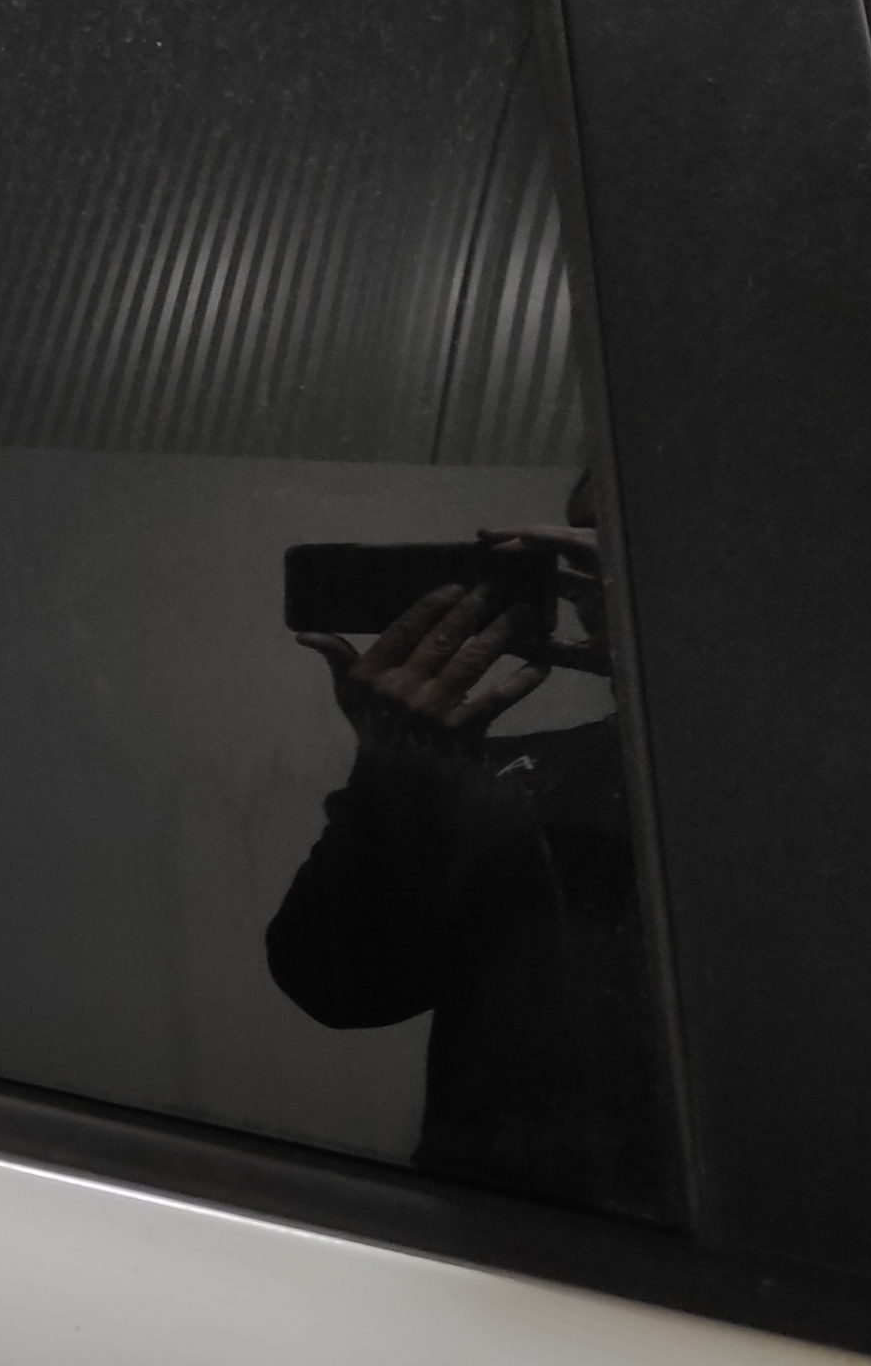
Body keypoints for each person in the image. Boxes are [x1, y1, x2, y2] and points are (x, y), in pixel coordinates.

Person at [262, 485, 678, 1218]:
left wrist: (693, 663)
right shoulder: (509, 777)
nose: (593, 577)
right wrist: (395, 770)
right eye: (587, 541)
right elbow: (339, 991)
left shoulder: (823, 782)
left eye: (632, 540)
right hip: (495, 1233)